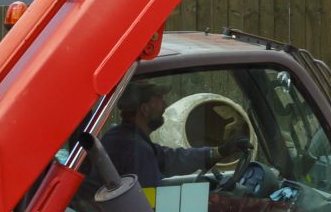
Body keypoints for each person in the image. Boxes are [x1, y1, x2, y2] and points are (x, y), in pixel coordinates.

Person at [101, 81, 240, 191]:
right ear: (145, 109)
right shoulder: (137, 150)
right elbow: (150, 204)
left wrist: (219, 152)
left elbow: (171, 158)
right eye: (160, 100)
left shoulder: (120, 138)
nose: (165, 105)